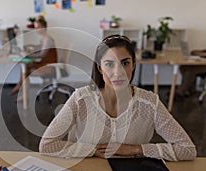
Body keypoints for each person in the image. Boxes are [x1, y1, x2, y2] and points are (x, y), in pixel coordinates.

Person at [39, 34, 196, 161]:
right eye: (109, 64)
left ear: (134, 64)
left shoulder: (149, 103)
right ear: (100, 68)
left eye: (125, 63)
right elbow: (46, 145)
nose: (118, 72)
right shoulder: (80, 99)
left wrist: (136, 150)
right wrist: (92, 150)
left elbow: (187, 149)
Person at [9, 15, 57, 95]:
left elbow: (42, 54)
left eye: (38, 27)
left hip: (49, 66)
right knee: (24, 67)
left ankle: (20, 88)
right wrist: (31, 48)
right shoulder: (44, 38)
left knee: (25, 69)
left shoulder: (48, 39)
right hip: (44, 63)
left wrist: (29, 55)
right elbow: (39, 48)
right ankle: (22, 93)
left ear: (44, 27)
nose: (36, 30)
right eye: (35, 27)